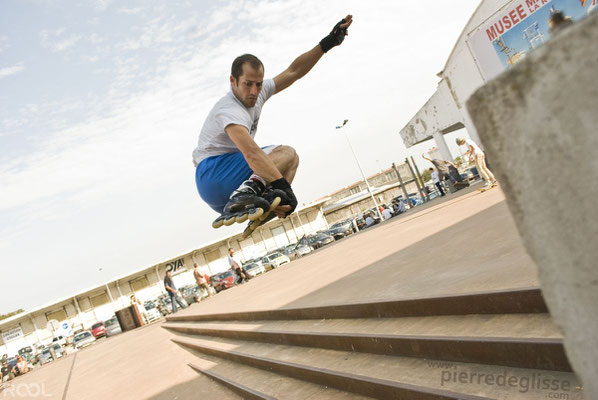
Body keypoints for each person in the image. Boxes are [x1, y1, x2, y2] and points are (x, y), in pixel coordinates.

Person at [192, 15, 354, 231]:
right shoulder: (229, 109)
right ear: (233, 81)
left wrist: (327, 44)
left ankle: (266, 205)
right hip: (213, 175)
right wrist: (283, 186)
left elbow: (294, 71)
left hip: (221, 186)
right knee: (285, 153)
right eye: (247, 84)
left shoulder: (258, 91)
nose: (253, 92)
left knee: (292, 160)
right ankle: (246, 194)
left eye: (258, 84)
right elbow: (251, 153)